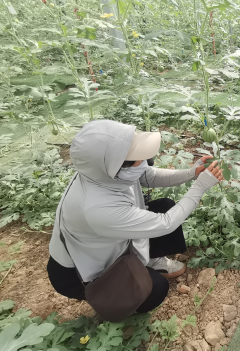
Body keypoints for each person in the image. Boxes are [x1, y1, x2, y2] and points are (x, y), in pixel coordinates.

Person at [47, 120, 223, 316]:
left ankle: (150, 260)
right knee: (155, 289)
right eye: (138, 157)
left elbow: (147, 176)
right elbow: (166, 223)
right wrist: (200, 187)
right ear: (116, 168)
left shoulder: (100, 171)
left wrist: (190, 173)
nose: (146, 160)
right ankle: (116, 304)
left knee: (165, 205)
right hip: (80, 273)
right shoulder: (96, 209)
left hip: (112, 242)